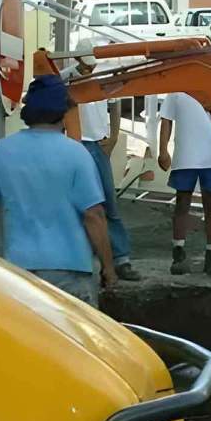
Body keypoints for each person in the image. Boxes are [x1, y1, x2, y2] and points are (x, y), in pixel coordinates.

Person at [0, 74, 117, 306]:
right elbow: (94, 215)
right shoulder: (77, 154)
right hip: (70, 271)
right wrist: (109, 267)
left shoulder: (1, 151)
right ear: (63, 111)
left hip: (15, 270)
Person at [60, 38, 140, 281]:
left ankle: (120, 258)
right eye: (86, 66)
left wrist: (114, 135)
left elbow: (114, 105)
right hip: (77, 143)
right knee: (82, 206)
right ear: (77, 60)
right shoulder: (66, 78)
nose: (90, 70)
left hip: (98, 143)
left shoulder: (103, 75)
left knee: (108, 202)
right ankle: (85, 256)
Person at [156, 92, 211, 278]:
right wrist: (163, 150)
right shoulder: (177, 89)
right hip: (185, 156)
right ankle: (178, 254)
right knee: (182, 204)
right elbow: (166, 119)